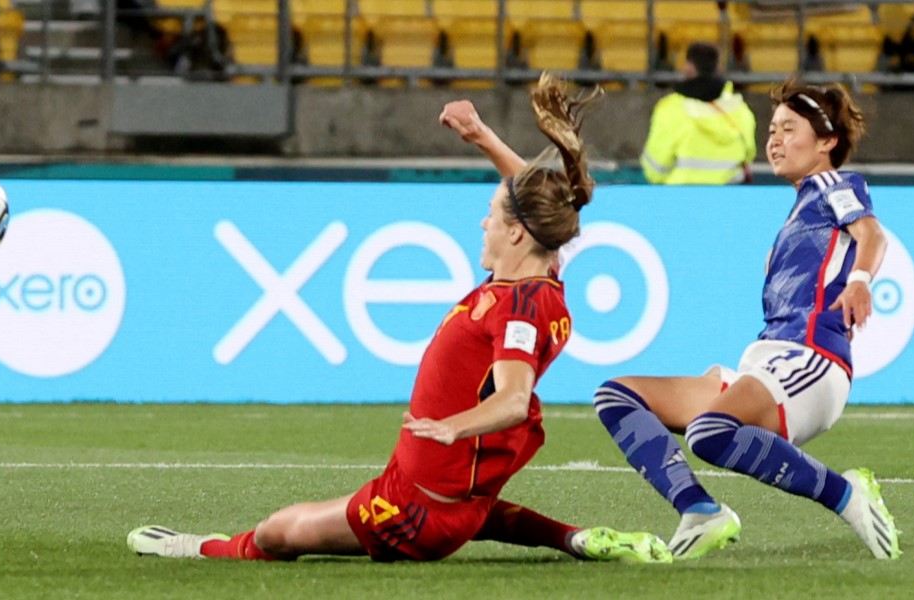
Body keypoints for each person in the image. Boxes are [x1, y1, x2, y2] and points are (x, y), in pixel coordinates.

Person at [126, 73, 671, 565]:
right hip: (455, 499)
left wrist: (450, 426)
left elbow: (511, 399)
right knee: (481, 515)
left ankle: (197, 547)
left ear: (515, 234)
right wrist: (481, 136)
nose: (482, 222)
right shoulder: (535, 280)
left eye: (491, 217)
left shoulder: (518, 308)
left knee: (276, 532)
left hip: (409, 511)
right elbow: (529, 200)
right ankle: (574, 539)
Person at [593, 79, 901, 560]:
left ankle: (845, 494)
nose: (774, 140)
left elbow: (871, 232)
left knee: (708, 432)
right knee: (618, 396)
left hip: (811, 361)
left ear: (827, 142)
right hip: (768, 364)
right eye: (772, 129)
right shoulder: (800, 208)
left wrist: (860, 279)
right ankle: (699, 509)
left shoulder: (833, 184)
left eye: (789, 129)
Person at [640, 42, 756, 185]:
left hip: (681, 198)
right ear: (717, 67)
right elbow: (749, 154)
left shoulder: (670, 109)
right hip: (730, 196)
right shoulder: (739, 109)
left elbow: (655, 169)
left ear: (689, 67)